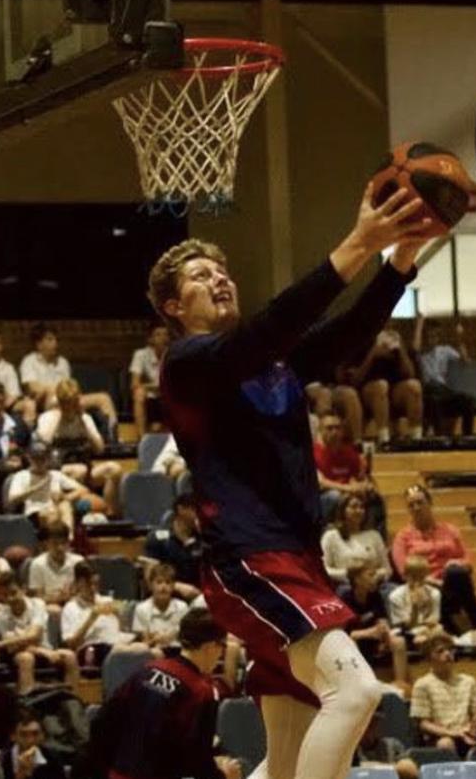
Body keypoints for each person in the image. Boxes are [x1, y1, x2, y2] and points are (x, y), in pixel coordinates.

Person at [150, 182, 432, 779]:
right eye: (200, 275)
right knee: (356, 693)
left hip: (296, 557)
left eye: (221, 270)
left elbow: (347, 334)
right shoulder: (188, 364)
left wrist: (402, 255)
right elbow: (272, 327)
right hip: (251, 557)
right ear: (173, 307)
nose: (219, 278)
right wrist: (359, 242)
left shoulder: (271, 361)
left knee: (287, 756)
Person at [88, 607, 241, 779]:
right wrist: (223, 775)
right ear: (210, 646)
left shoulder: (147, 669)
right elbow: (199, 763)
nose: (222, 654)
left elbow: (101, 723)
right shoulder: (202, 691)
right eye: (223, 646)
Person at [391, 483, 476, 635]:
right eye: (411, 505)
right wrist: (432, 581)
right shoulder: (403, 537)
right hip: (424, 585)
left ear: (430, 503)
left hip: (452, 580)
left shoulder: (450, 530)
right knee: (456, 581)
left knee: (457, 574)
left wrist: (459, 562)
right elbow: (404, 571)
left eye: (420, 502)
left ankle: (470, 627)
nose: (416, 507)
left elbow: (468, 557)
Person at [36, 378, 122, 517]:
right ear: (61, 402)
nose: (71, 407)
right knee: (79, 470)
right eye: (67, 403)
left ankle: (110, 516)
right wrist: (59, 416)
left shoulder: (85, 418)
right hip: (58, 470)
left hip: (84, 467)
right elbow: (44, 442)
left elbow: (99, 448)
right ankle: (79, 507)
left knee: (114, 469)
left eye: (74, 402)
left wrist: (83, 422)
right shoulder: (48, 418)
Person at [19, 323, 117, 434]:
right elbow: (33, 388)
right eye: (50, 339)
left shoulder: (63, 362)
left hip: (68, 399)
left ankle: (112, 436)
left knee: (104, 398)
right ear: (39, 344)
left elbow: (69, 386)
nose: (55, 343)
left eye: (56, 339)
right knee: (52, 392)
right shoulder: (29, 361)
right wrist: (53, 389)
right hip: (44, 402)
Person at [0, 572, 79, 694]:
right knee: (26, 658)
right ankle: (26, 707)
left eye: (13, 593)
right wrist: (42, 651)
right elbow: (13, 646)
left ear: (23, 589)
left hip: (45, 649)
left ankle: (73, 701)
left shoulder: (37, 604)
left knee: (69, 656)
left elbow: (34, 635)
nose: (10, 599)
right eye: (5, 595)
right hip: (19, 654)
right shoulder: (2, 615)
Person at [348, 324, 423, 445]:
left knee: (414, 386)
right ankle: (384, 440)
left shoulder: (393, 341)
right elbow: (355, 380)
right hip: (367, 391)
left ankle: (417, 439)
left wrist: (401, 349)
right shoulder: (361, 341)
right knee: (381, 386)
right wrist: (373, 353)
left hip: (393, 392)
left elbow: (410, 373)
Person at [8, 441, 104, 535]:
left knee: (65, 505)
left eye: (43, 459)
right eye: (36, 459)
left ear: (48, 459)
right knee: (52, 514)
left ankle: (69, 538)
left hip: (56, 508)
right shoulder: (21, 476)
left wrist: (65, 497)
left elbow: (83, 489)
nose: (39, 462)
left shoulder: (55, 475)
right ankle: (56, 540)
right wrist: (34, 489)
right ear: (29, 458)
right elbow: (12, 499)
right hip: (35, 512)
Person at [410, 632, 476, 756]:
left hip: (467, 734)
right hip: (439, 737)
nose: (448, 654)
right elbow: (423, 724)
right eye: (440, 651)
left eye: (450, 650)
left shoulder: (469, 681)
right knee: (445, 744)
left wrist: (474, 727)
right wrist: (452, 733)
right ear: (429, 658)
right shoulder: (422, 684)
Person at [341, 562, 408, 691]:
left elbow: (382, 618)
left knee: (399, 642)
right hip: (355, 641)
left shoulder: (375, 595)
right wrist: (370, 632)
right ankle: (361, 688)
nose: (375, 578)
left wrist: (384, 631)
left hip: (375, 638)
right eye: (370, 575)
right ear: (357, 579)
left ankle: (401, 682)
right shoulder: (345, 599)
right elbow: (346, 634)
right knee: (352, 643)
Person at [60, 561, 139, 666]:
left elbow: (122, 632)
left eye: (96, 584)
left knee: (142, 648)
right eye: (89, 584)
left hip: (116, 644)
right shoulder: (70, 608)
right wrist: (92, 617)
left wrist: (118, 616)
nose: (93, 589)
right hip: (91, 649)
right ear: (79, 583)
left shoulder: (107, 601)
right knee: (118, 651)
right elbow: (72, 645)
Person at [313, 412, 384, 529]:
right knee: (334, 496)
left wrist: (365, 486)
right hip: (322, 498)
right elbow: (320, 483)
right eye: (329, 428)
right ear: (321, 431)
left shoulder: (350, 453)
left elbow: (360, 477)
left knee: (374, 497)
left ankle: (375, 537)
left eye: (338, 428)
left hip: (348, 494)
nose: (334, 432)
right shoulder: (312, 453)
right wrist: (348, 489)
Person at [412, 316, 476, 435]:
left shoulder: (444, 350)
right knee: (434, 399)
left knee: (469, 400)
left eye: (435, 336)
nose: (432, 339)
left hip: (444, 391)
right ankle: (439, 436)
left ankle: (468, 436)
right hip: (428, 391)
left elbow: (465, 360)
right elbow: (415, 347)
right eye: (429, 336)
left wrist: (459, 338)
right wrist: (419, 325)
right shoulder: (420, 353)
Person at [320, 493, 391, 584]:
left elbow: (387, 569)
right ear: (343, 511)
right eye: (354, 507)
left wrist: (375, 575)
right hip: (344, 585)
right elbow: (323, 569)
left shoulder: (374, 535)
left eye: (361, 507)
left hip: (374, 584)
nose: (359, 511)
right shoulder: (331, 536)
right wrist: (348, 573)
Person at [144, 492, 202, 600]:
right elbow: (149, 578)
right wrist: (176, 586)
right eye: (196, 510)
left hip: (199, 596)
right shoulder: (157, 538)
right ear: (181, 510)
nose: (201, 515)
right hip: (168, 598)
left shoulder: (204, 537)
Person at [132, 563, 189, 654]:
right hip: (153, 652)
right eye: (159, 582)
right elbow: (145, 641)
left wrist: (170, 636)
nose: (163, 587)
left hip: (178, 652)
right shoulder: (141, 608)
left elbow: (186, 637)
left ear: (173, 586)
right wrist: (156, 640)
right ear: (150, 585)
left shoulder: (182, 607)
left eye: (167, 582)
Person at [27, 522, 83, 611]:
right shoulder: (37, 564)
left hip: (74, 605)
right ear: (46, 543)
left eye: (63, 543)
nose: (60, 548)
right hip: (49, 607)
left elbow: (85, 592)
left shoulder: (78, 561)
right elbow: (37, 599)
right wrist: (58, 598)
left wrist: (73, 594)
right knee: (54, 610)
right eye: (55, 543)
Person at [0, 708, 67, 779]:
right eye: (23, 735)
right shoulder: (1, 761)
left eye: (35, 734)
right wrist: (21, 774)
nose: (30, 740)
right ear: (13, 736)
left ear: (43, 736)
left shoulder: (52, 758)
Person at [130, 321, 169, 439]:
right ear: (150, 339)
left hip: (168, 395)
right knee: (139, 393)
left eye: (165, 334)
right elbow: (134, 384)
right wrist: (155, 386)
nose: (163, 338)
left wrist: (156, 386)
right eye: (158, 334)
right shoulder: (140, 354)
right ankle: (142, 440)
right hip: (151, 396)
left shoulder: (174, 353)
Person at [0, 380, 28, 501]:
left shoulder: (18, 424)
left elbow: (31, 450)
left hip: (17, 471)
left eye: (0, 402)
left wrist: (21, 457)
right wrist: (2, 464)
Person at [0, 328, 35, 426]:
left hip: (3, 405)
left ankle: (26, 437)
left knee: (29, 404)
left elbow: (14, 395)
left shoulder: (8, 368)